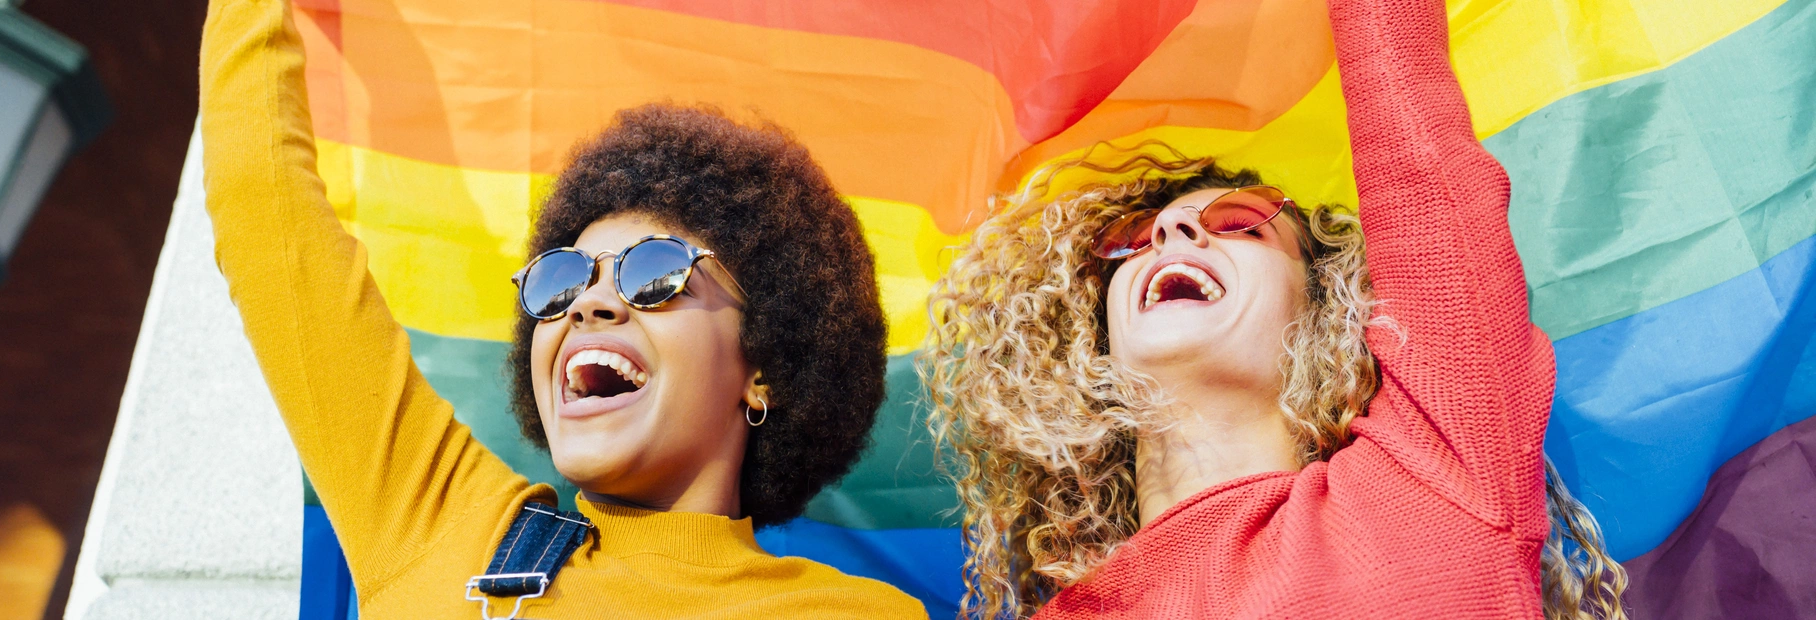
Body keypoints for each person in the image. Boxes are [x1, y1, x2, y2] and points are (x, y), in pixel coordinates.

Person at [199, 0, 924, 617]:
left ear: (763, 366)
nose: (590, 304)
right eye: (561, 281)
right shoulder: (438, 522)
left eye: (655, 273)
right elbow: (266, 215)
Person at [921, 0, 1625, 618]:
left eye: (1241, 221)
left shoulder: (1436, 472)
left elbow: (1416, 144)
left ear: (1325, 318)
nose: (1169, 232)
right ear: (1089, 345)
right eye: (1131, 241)